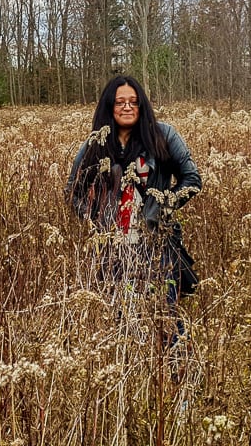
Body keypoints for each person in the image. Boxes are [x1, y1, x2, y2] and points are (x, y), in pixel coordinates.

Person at [65, 75, 202, 345]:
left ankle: (178, 379)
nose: (127, 107)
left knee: (165, 319)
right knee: (119, 321)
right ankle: (133, 379)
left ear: (142, 106)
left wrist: (161, 207)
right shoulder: (96, 143)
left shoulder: (163, 136)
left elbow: (192, 180)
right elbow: (73, 191)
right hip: (113, 251)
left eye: (133, 102)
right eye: (120, 102)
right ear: (109, 106)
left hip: (157, 247)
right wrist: (97, 222)